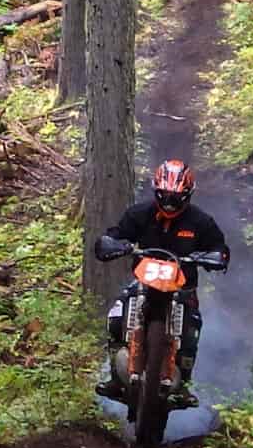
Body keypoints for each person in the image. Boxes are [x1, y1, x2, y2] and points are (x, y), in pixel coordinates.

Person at [93, 158, 230, 406]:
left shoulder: (201, 221)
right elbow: (116, 234)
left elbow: (219, 247)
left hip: (182, 286)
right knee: (115, 315)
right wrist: (114, 244)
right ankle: (115, 376)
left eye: (175, 197)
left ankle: (184, 383)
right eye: (164, 195)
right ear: (156, 191)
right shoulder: (139, 214)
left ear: (187, 195)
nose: (169, 201)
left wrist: (215, 256)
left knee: (193, 328)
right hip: (142, 282)